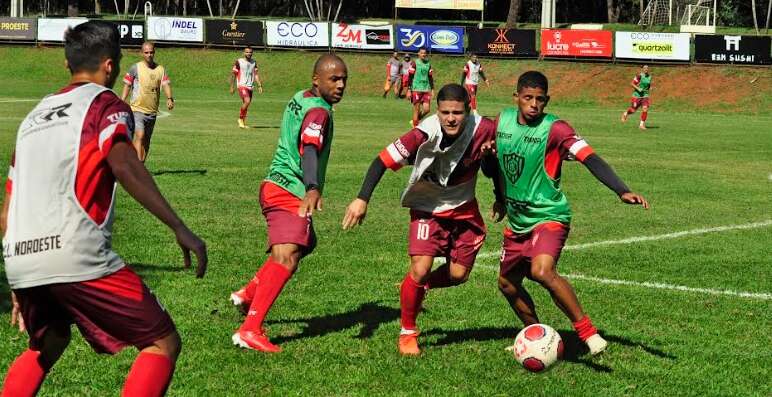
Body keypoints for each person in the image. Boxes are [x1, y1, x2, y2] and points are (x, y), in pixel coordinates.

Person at [1, 21, 207, 396]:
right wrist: (179, 226)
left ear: (67, 66)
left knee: (48, 342)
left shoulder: (32, 118)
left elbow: (8, 206)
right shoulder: (104, 103)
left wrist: (16, 274)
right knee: (162, 342)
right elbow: (125, 164)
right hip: (74, 254)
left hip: (20, 258)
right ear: (111, 66)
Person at [490, 71, 649, 356]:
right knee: (507, 284)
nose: (534, 104)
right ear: (516, 97)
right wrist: (499, 198)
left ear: (547, 100)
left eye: (540, 99)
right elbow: (493, 166)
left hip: (549, 215)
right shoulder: (499, 123)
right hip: (517, 221)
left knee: (541, 270)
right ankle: (536, 338)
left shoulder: (557, 129)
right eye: (528, 98)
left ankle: (588, 333)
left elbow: (590, 157)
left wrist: (620, 189)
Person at [342, 83, 498, 356]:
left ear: (469, 110)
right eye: (445, 112)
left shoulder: (485, 128)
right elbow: (381, 161)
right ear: (437, 111)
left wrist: (499, 190)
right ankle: (407, 332)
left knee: (458, 275)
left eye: (457, 113)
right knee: (421, 267)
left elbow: (491, 163)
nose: (451, 118)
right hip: (427, 206)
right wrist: (362, 198)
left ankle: (417, 287)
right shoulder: (423, 133)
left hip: (463, 207)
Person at [229, 54, 348, 353]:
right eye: (334, 79)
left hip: (274, 184)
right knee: (287, 257)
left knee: (306, 242)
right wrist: (312, 187)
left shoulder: (301, 97)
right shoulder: (319, 112)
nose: (341, 84)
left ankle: (248, 294)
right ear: (316, 79)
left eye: (344, 79)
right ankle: (250, 329)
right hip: (288, 190)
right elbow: (309, 148)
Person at [120, 41, 174, 162]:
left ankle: (140, 165)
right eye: (146, 52)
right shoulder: (136, 68)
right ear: (142, 53)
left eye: (151, 52)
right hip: (137, 109)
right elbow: (127, 85)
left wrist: (170, 98)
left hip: (152, 111)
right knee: (140, 135)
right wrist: (122, 100)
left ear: (154, 53)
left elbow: (166, 84)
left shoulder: (160, 69)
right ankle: (137, 165)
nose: (149, 55)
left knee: (146, 140)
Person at [230, 46, 263, 129]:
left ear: (252, 53)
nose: (249, 53)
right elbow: (234, 74)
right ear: (244, 53)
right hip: (241, 85)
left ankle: (243, 123)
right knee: (247, 101)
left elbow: (256, 75)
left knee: (246, 104)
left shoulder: (254, 62)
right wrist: (232, 86)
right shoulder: (239, 62)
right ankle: (240, 119)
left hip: (250, 86)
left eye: (250, 52)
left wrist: (259, 85)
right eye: (247, 52)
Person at [406, 48, 434, 127]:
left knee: (427, 109)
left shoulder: (428, 64)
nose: (423, 54)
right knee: (416, 109)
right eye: (422, 53)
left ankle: (415, 121)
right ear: (418, 53)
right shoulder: (414, 63)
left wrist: (432, 89)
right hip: (416, 88)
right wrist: (409, 89)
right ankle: (415, 127)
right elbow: (410, 77)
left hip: (425, 88)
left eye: (425, 53)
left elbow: (430, 77)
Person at [621, 65, 652, 130]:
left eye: (647, 68)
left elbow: (648, 85)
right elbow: (632, 83)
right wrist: (638, 88)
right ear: (642, 69)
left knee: (645, 109)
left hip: (645, 96)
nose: (646, 69)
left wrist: (649, 88)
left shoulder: (649, 77)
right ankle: (625, 113)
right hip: (637, 96)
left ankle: (641, 125)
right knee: (633, 110)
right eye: (645, 68)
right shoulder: (639, 76)